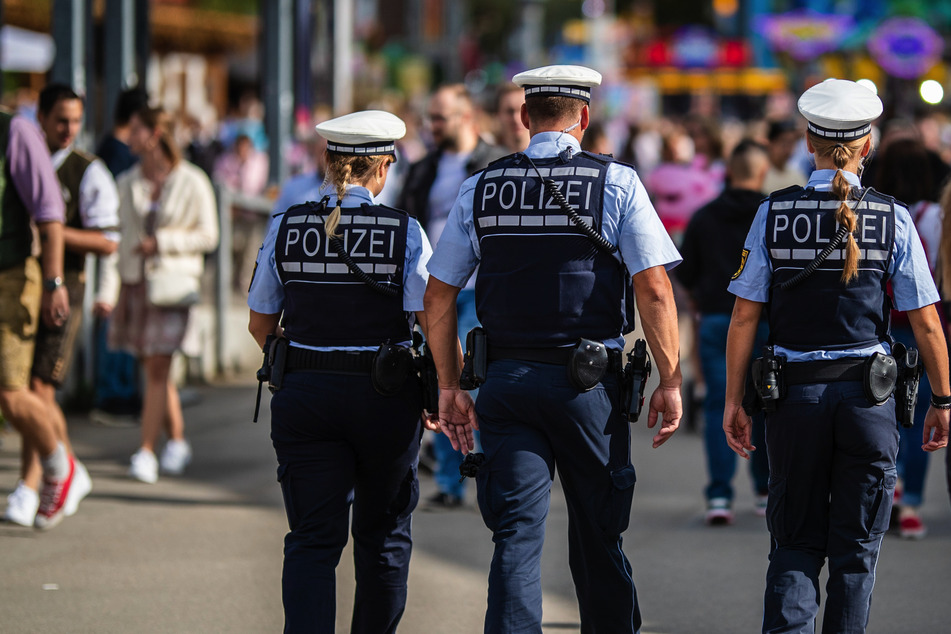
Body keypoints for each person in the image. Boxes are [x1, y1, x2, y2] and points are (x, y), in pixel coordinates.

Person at [423, 64, 684, 633]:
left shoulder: (481, 186)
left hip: (506, 384)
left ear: (524, 117)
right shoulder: (616, 183)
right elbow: (655, 288)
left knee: (515, 534)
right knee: (597, 528)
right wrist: (670, 379)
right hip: (587, 388)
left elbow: (437, 295)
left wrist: (449, 384)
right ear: (584, 118)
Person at [723, 79, 950, 633]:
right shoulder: (892, 218)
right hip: (867, 401)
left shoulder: (773, 214)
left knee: (795, 543)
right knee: (855, 554)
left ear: (808, 139)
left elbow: (746, 315)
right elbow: (924, 320)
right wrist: (942, 398)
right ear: (867, 143)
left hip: (794, 398)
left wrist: (734, 399)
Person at [247, 110, 438, 632]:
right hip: (385, 398)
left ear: (328, 163)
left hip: (305, 395)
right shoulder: (406, 232)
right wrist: (445, 392)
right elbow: (431, 320)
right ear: (382, 170)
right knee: (383, 538)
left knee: (312, 539)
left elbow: (260, 321)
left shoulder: (286, 225)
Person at [5, 84, 119, 526]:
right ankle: (60, 470)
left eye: (75, 120)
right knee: (22, 387)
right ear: (41, 117)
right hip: (19, 282)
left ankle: (33, 483)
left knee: (37, 389)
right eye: (60, 120)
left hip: (62, 285)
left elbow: (108, 240)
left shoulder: (87, 170)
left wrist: (50, 229)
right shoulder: (21, 150)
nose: (69, 129)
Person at [397, 84, 506, 508]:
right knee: (439, 382)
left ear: (466, 117)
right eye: (430, 118)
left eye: (440, 118)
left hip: (480, 291)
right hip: (432, 293)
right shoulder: (423, 168)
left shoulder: (495, 163)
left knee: (474, 385)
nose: (432, 126)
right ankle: (449, 480)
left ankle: (485, 471)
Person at [109, 105, 218, 484]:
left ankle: (146, 451)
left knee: (157, 368)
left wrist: (163, 242)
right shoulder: (127, 181)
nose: (127, 135)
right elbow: (119, 239)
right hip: (136, 284)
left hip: (173, 287)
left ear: (154, 134)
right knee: (155, 368)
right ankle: (178, 440)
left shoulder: (193, 180)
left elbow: (209, 235)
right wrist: (109, 290)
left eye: (135, 129)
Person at [676, 139, 771, 525]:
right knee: (767, 407)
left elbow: (686, 274)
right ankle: (765, 491)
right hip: (767, 322)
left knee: (720, 404)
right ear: (763, 173)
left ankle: (719, 496)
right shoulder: (775, 213)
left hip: (717, 319)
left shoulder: (704, 216)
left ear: (728, 171)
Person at [0, 107, 77, 530]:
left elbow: (49, 214)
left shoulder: (15, 130)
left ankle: (57, 464)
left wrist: (53, 282)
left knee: (13, 393)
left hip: (12, 278)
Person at [876, 137, 944, 539]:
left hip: (880, 323)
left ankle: (889, 484)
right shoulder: (933, 216)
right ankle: (913, 502)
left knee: (881, 407)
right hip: (923, 321)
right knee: (920, 413)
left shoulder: (878, 212)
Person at [93, 86, 150, 420]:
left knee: (120, 325)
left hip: (120, 248)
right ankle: (112, 395)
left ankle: (118, 392)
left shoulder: (108, 149)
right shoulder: (118, 155)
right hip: (117, 249)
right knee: (114, 325)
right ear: (134, 119)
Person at [212, 133, 270, 290]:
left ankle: (245, 288)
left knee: (250, 255)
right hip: (231, 217)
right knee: (229, 252)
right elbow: (220, 186)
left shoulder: (259, 161)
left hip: (252, 216)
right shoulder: (225, 161)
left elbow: (259, 187)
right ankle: (224, 287)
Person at [762, 119, 807, 195]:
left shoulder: (797, 176)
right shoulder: (760, 175)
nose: (787, 149)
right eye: (783, 142)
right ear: (770, 143)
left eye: (791, 143)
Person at [493, 82, 530, 153]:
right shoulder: (486, 161)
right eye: (510, 111)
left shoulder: (549, 157)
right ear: (497, 115)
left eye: (523, 111)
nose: (516, 119)